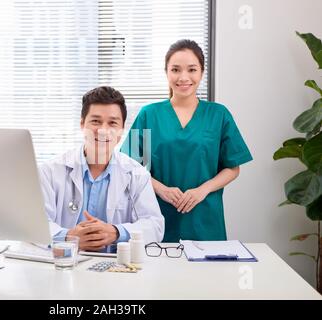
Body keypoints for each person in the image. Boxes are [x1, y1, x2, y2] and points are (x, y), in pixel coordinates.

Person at [121, 39, 252, 242]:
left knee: (207, 272)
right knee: (159, 271)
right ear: (166, 72)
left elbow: (232, 167)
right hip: (156, 215)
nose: (184, 77)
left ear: (201, 72)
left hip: (205, 219)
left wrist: (203, 190)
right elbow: (131, 168)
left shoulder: (218, 115)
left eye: (191, 69)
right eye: (175, 70)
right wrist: (162, 190)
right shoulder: (149, 115)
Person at [39, 86, 164, 251]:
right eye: (95, 121)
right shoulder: (50, 171)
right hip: (65, 265)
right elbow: (36, 225)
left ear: (122, 129)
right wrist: (69, 237)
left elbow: (155, 226)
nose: (103, 130)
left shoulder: (137, 174)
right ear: (82, 124)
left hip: (117, 268)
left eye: (112, 123)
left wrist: (116, 232)